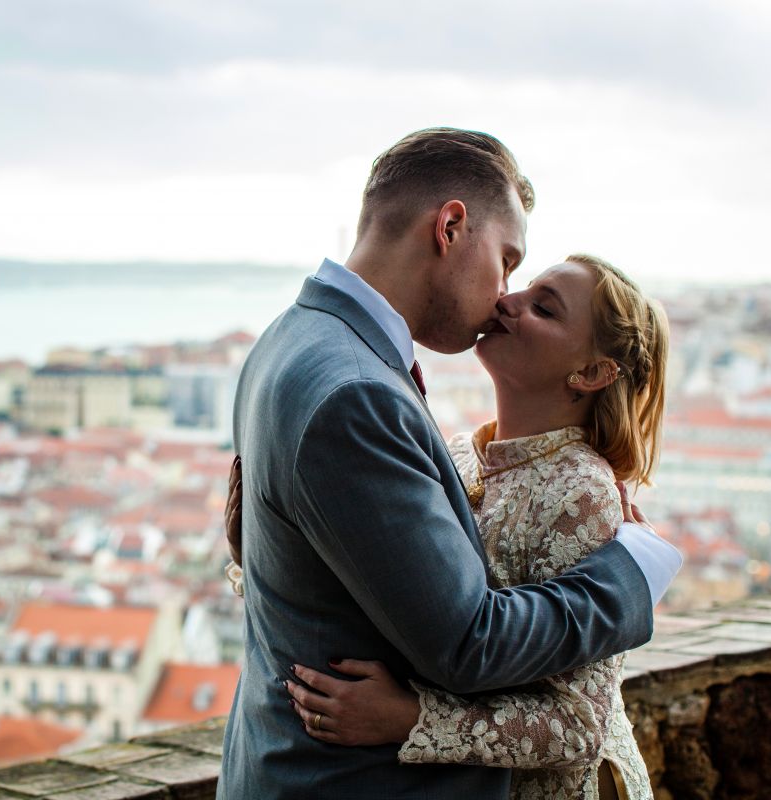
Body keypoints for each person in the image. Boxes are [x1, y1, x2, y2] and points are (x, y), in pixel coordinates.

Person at [216, 128, 682, 800]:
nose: (503, 295)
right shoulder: (355, 391)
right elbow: (467, 642)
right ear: (452, 227)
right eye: (507, 260)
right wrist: (629, 578)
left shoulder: (296, 340)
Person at [280, 254, 667, 799]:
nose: (507, 301)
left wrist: (411, 718)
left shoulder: (584, 493)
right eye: (522, 289)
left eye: (543, 308)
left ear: (590, 373)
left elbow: (581, 724)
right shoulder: (463, 453)